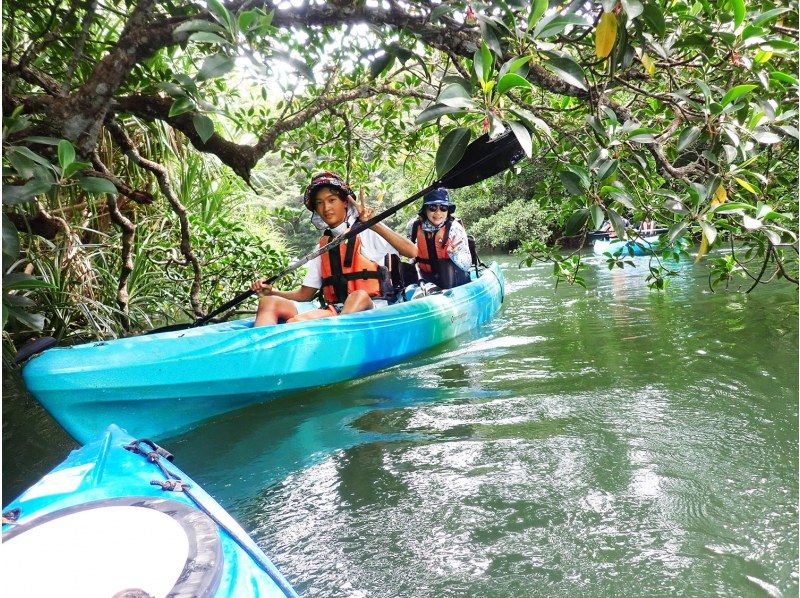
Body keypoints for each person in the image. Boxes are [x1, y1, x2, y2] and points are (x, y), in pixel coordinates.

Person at [250, 172, 417, 326]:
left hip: (371, 307)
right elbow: (305, 295)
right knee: (269, 302)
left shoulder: (367, 231)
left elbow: (412, 251)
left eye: (331, 200)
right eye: (319, 203)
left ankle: (334, 334)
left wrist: (373, 223)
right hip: (336, 310)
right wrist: (272, 292)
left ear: (345, 202)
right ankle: (259, 353)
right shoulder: (322, 247)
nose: (326, 208)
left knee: (357, 296)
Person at [405, 188, 472, 293]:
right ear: (425, 209)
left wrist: (454, 254)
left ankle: (446, 295)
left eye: (443, 208)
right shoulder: (413, 226)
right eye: (432, 207)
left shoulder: (455, 229)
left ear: (448, 210)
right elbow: (409, 253)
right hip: (426, 276)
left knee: (446, 265)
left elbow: (467, 265)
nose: (438, 213)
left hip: (452, 278)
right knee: (405, 267)